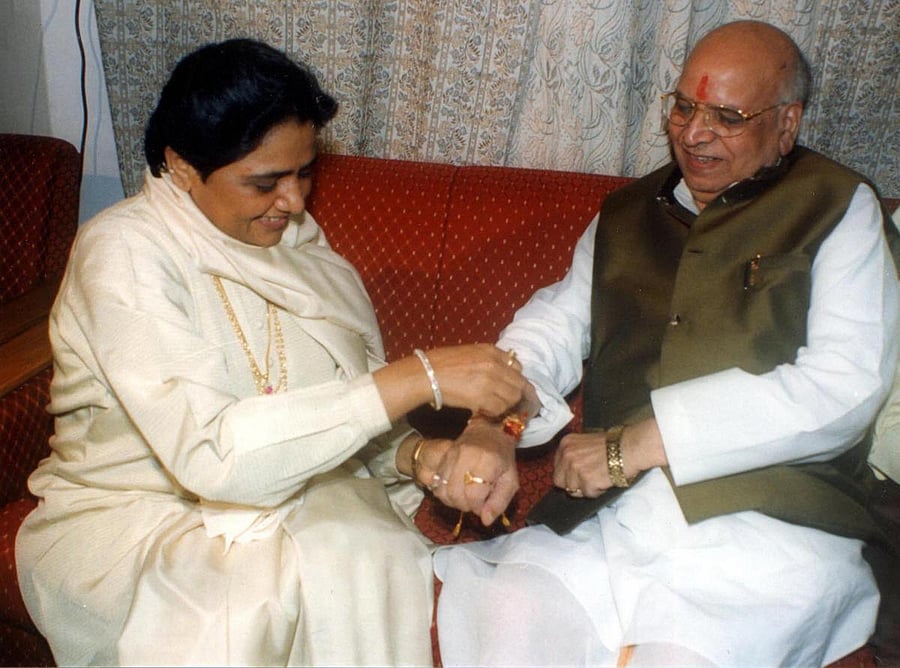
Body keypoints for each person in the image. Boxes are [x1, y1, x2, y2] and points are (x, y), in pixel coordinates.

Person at [15, 38, 528, 667]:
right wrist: (421, 375)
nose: (294, 202)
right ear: (180, 166)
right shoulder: (124, 253)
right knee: (257, 595)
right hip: (138, 512)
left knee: (366, 550)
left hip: (297, 489)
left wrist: (420, 454)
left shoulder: (293, 239)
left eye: (305, 172)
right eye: (265, 182)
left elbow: (332, 404)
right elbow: (214, 455)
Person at [417, 20, 900, 668]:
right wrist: (494, 421)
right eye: (683, 107)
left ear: (787, 124)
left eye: (727, 116)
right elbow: (554, 327)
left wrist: (637, 444)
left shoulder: (841, 206)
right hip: (617, 522)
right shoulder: (626, 213)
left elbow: (844, 385)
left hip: (773, 529)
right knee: (514, 612)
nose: (694, 134)